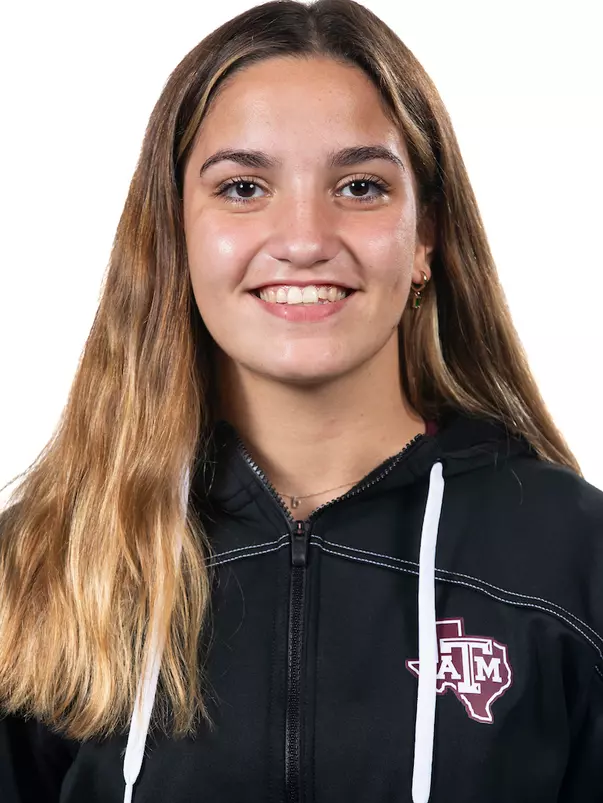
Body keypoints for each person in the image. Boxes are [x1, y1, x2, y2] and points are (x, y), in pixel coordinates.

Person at [1, 0, 602, 801]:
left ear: (426, 239)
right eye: (244, 186)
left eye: (360, 185)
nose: (305, 235)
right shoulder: (46, 562)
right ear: (176, 232)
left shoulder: (572, 556)